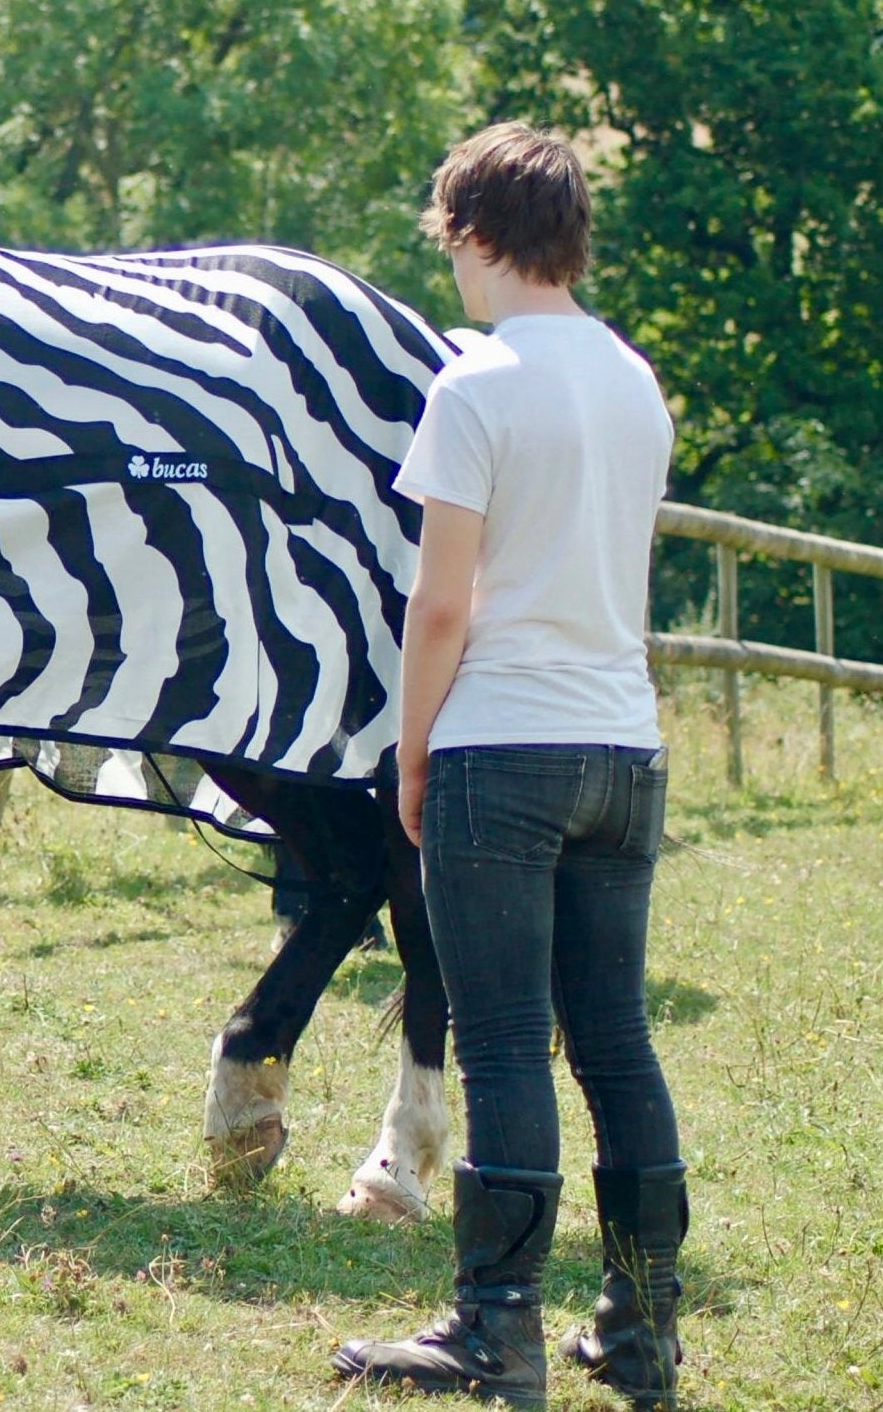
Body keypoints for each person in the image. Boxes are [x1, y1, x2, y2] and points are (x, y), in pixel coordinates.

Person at [331, 123, 684, 1409]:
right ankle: (641, 1336)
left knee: (498, 1046)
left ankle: (493, 1329)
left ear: (474, 234)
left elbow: (441, 607)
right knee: (617, 1044)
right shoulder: (634, 379)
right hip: (622, 746)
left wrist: (413, 752)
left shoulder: (476, 383)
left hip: (503, 744)